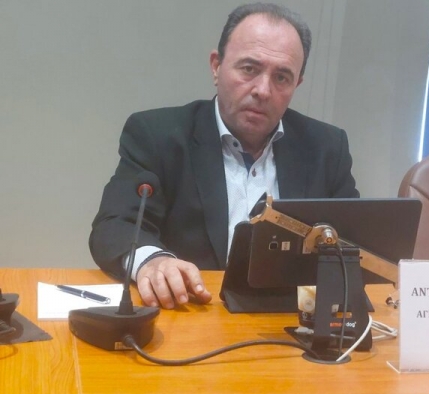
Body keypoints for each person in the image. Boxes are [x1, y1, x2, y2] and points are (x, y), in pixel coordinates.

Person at [89, 3, 359, 309]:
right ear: (216, 66)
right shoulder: (158, 135)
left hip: (289, 320)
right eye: (249, 69)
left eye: (282, 77)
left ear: (297, 84)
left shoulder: (326, 148)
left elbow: (356, 246)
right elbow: (116, 225)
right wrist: (153, 261)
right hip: (191, 312)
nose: (263, 90)